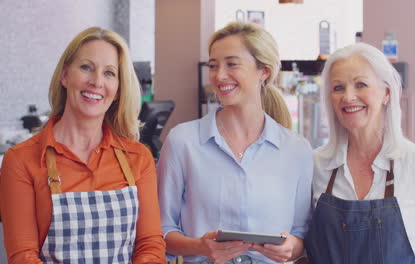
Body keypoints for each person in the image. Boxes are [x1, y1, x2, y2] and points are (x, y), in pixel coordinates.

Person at [0, 27, 166, 264]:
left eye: (110, 73)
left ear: (118, 89)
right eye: (86, 67)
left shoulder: (138, 157)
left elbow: (150, 245)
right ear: (65, 75)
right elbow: (23, 256)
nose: (97, 81)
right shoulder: (21, 159)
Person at [157, 22, 313, 264]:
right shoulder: (182, 142)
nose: (219, 76)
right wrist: (200, 247)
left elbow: (302, 234)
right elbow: (160, 232)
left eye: (232, 64)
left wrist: (292, 247)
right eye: (213, 66)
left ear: (264, 71)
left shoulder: (297, 150)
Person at [304, 43, 415, 263]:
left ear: (386, 93)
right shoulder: (314, 164)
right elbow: (302, 248)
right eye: (338, 88)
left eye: (361, 85)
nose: (348, 96)